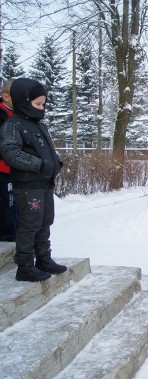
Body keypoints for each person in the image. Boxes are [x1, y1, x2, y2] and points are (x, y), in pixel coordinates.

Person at [0, 78, 67, 282]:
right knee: (29, 225)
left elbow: (47, 149)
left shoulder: (38, 125)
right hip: (28, 186)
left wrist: (56, 162)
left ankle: (44, 258)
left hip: (44, 184)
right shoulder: (13, 125)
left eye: (43, 104)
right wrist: (38, 164)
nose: (41, 108)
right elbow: (10, 152)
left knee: (45, 222)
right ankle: (25, 265)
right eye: (37, 104)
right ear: (23, 101)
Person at [0, 79, 18, 242]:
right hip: (4, 170)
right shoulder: (2, 114)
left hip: (19, 170)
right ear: (5, 96)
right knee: (8, 209)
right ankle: (7, 243)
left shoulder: (20, 113)